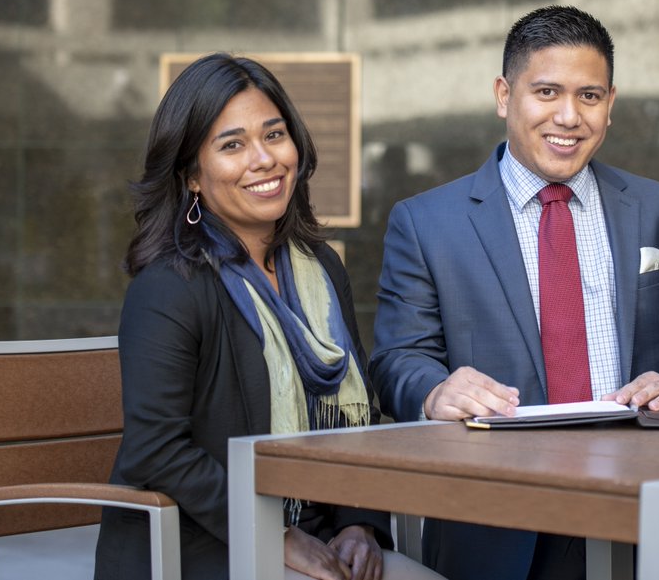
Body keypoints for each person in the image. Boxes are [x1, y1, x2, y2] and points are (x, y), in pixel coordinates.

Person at [369, 5, 659, 580]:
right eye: (546, 91)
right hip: (492, 520)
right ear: (503, 95)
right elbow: (397, 359)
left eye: (589, 96)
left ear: (610, 105)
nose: (569, 116)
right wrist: (436, 390)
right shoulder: (426, 223)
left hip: (643, 512)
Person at [94, 53, 443, 580]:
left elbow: (357, 415)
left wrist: (360, 525)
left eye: (274, 135)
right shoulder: (169, 286)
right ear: (191, 174)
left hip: (320, 537)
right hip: (201, 547)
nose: (263, 159)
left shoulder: (320, 268)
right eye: (232, 145)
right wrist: (274, 536)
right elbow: (155, 449)